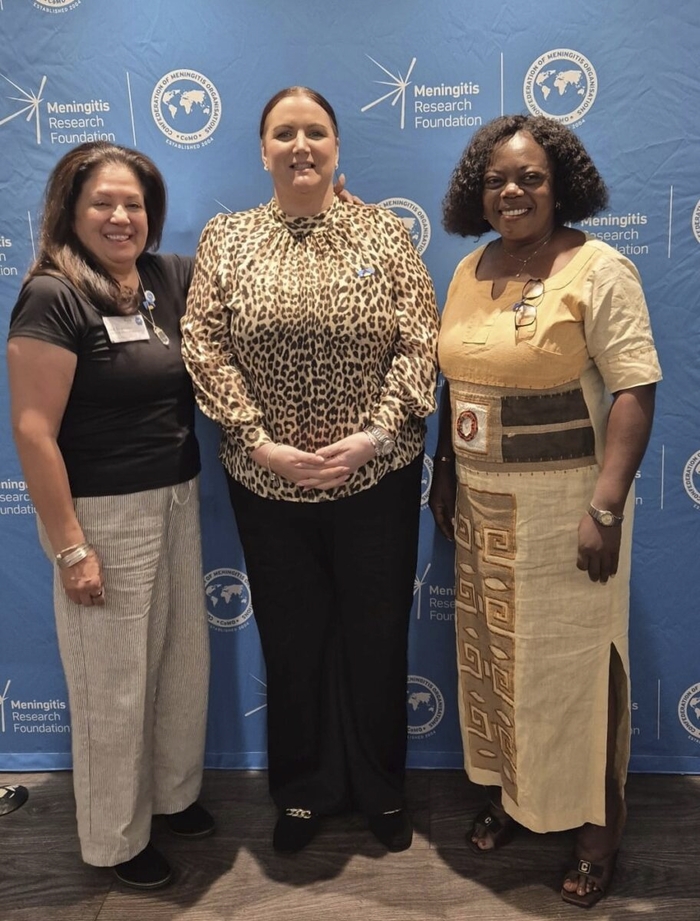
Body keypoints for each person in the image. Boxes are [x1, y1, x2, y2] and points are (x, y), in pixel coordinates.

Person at [182, 86, 439, 854]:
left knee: (375, 633)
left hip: (378, 476)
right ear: (262, 150)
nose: (301, 145)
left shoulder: (383, 233)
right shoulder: (228, 239)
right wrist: (258, 442)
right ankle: (302, 790)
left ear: (336, 146)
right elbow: (203, 345)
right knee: (293, 639)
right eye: (285, 132)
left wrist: (373, 437)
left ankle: (381, 787)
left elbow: (420, 341)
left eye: (316, 132)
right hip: (266, 481)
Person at [429, 115, 661, 908]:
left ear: (561, 185)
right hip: (482, 514)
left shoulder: (599, 269)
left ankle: (597, 834)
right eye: (496, 179)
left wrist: (607, 506)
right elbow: (458, 386)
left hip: (568, 514)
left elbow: (633, 389)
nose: (513, 191)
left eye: (530, 177)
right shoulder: (469, 269)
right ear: (478, 191)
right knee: (497, 664)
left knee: (573, 673)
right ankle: (513, 795)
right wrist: (444, 471)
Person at [7, 142, 214, 890]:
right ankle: (114, 838)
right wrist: (71, 549)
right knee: (114, 685)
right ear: (70, 210)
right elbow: (33, 430)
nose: (121, 216)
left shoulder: (163, 278)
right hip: (101, 512)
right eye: (104, 203)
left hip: (177, 495)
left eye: (135, 204)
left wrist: (333, 212)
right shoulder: (53, 295)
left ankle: (170, 796)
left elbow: (244, 260)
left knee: (181, 663)